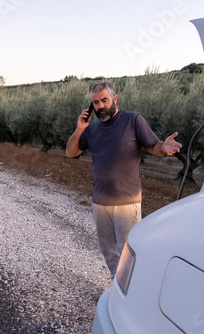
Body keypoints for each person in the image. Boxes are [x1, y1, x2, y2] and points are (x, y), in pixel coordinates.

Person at [65, 82, 182, 279]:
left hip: (127, 201)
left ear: (115, 99)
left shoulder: (132, 120)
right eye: (96, 103)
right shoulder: (91, 129)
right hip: (100, 201)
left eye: (104, 100)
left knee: (130, 252)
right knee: (108, 250)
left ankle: (133, 290)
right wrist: (79, 129)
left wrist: (164, 147)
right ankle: (117, 285)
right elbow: (71, 152)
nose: (101, 106)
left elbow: (154, 146)